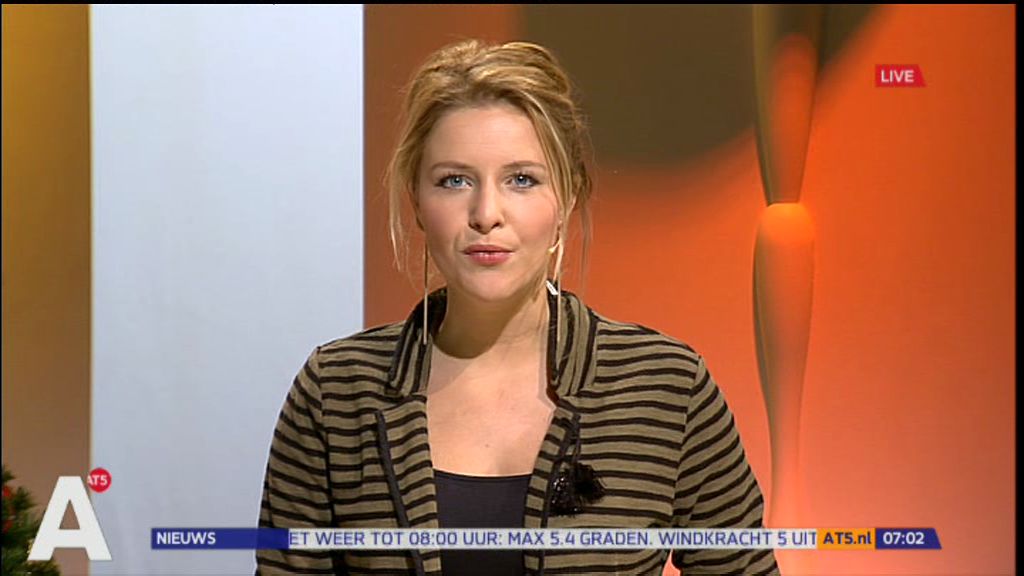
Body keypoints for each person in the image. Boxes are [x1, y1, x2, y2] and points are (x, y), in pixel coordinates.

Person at [256, 39, 779, 576]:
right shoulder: (336, 391)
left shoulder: (667, 386)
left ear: (567, 199)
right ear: (416, 202)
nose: (486, 213)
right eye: (454, 181)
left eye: (521, 180)